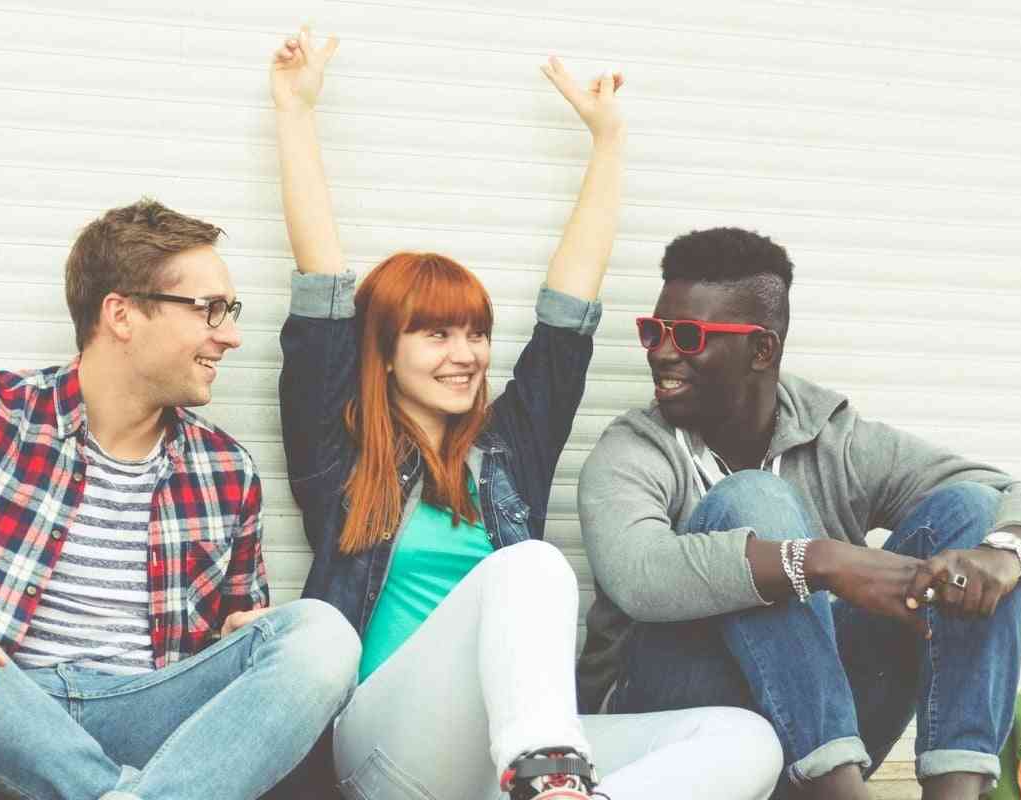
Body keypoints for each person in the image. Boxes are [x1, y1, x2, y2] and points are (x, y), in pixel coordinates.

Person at [272, 27, 783, 800]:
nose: (466, 353)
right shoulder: (341, 450)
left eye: (476, 332)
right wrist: (295, 111)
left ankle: (568, 791)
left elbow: (567, 315)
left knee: (744, 739)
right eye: (435, 333)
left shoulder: (507, 451)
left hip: (500, 760)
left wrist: (607, 142)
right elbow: (322, 287)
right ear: (381, 352)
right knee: (531, 564)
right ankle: (550, 774)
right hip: (383, 750)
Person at [0, 199, 360, 800]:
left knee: (322, 633)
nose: (231, 336)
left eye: (229, 312)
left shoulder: (226, 470)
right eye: (210, 310)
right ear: (122, 314)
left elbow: (236, 629)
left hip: (146, 711)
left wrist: (246, 635)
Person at [575, 226, 1021, 800]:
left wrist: (1009, 550)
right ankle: (835, 789)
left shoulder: (837, 439)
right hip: (674, 725)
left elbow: (1015, 492)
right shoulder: (634, 449)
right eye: (654, 331)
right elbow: (636, 573)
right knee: (754, 500)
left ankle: (956, 789)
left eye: (688, 335)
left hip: (805, 726)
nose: (662, 351)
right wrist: (819, 562)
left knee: (972, 510)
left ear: (761, 349)